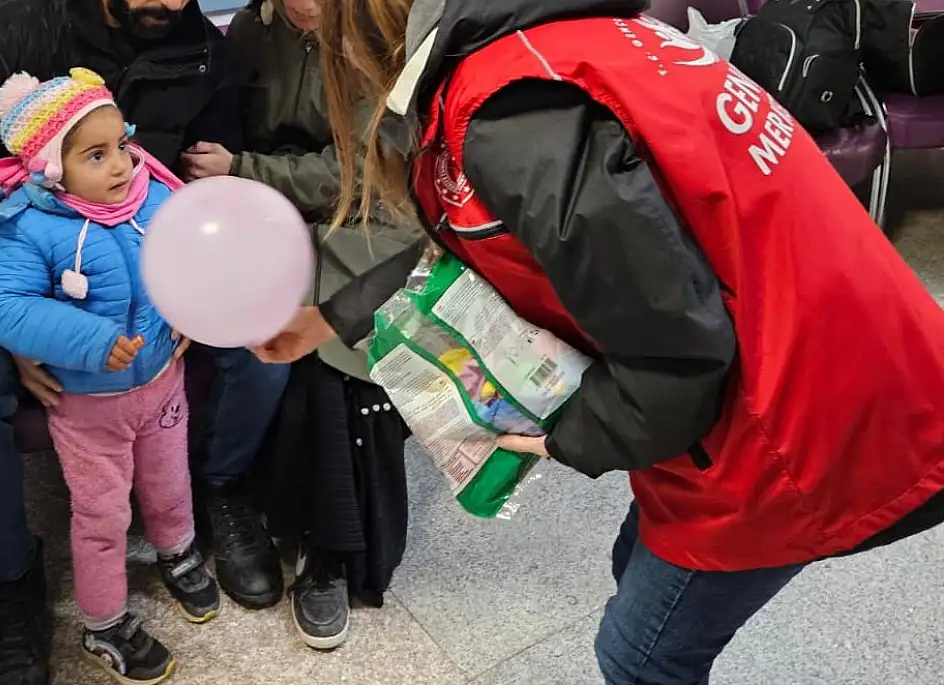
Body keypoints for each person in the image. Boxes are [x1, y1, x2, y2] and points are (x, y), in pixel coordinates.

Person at [255, 0, 944, 682]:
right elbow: (486, 236)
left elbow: (676, 355)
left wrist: (567, 435)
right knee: (636, 566)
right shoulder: (559, 43)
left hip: (795, 416)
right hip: (810, 344)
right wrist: (332, 315)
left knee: (640, 656)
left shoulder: (509, 113)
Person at [0, 2, 288, 682]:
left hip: (150, 266)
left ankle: (221, 490)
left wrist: (189, 287)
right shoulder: (3, 33)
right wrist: (19, 334)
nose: (168, 4)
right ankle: (10, 574)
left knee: (264, 339)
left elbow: (203, 191)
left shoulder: (203, 51)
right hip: (19, 268)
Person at [182, 0, 417, 650]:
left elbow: (370, 167)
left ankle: (330, 549)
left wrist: (248, 171)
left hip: (372, 209)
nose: (308, 6)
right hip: (277, 208)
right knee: (284, 327)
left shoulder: (380, 26)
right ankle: (289, 519)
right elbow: (238, 136)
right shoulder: (251, 33)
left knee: (335, 341)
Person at [0, 68, 218, 684]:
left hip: (161, 384)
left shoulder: (154, 196)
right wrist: (92, 341)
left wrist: (191, 305)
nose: (120, 166)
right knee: (101, 516)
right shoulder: (29, 226)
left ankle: (177, 550)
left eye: (122, 145)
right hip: (89, 408)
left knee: (170, 481)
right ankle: (104, 623)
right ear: (51, 169)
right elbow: (10, 308)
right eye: (95, 155)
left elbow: (192, 253)